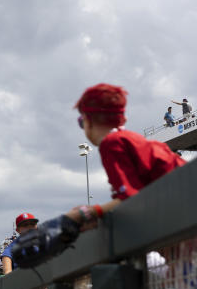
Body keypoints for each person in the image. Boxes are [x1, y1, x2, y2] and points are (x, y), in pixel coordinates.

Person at [66, 84, 186, 228]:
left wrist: (87, 213)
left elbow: (132, 199)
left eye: (81, 122)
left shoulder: (111, 143)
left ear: (88, 120)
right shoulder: (130, 139)